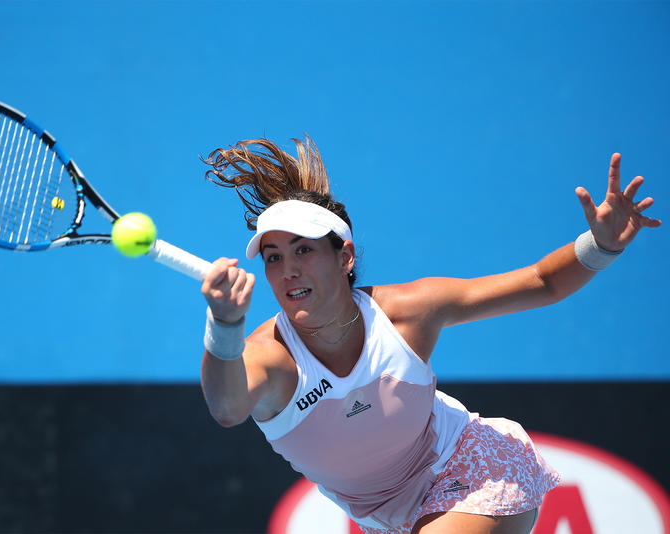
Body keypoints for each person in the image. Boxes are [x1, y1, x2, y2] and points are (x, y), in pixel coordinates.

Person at [198, 136, 660, 534]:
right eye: (274, 256)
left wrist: (601, 246)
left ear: (345, 258)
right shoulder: (269, 356)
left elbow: (542, 281)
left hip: (472, 466)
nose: (288, 269)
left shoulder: (407, 312)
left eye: (304, 250)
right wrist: (224, 325)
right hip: (388, 520)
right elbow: (226, 408)